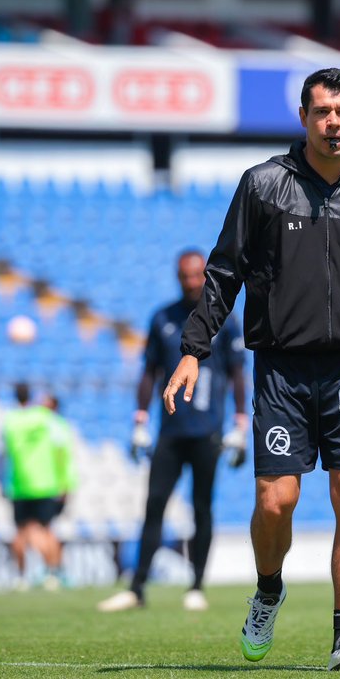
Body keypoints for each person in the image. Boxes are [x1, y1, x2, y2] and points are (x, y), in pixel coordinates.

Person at [163, 68, 340, 673]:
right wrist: (193, 349)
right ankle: (268, 590)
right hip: (281, 370)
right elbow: (223, 273)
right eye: (321, 111)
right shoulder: (263, 186)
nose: (332, 122)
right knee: (275, 501)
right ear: (304, 117)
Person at [99, 250, 248, 613]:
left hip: (207, 430)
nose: (192, 282)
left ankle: (196, 585)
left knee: (201, 509)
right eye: (186, 276)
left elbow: (238, 374)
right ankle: (137, 587)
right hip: (170, 430)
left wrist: (241, 421)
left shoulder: (224, 321)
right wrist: (139, 420)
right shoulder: (163, 318)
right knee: (154, 506)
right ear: (177, 277)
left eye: (198, 275)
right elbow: (149, 372)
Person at [2, 383, 76, 591]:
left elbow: (5, 451)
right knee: (44, 531)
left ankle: (21, 577)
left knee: (20, 533)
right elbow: (61, 448)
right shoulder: (45, 418)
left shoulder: (10, 420)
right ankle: (52, 574)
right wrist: (65, 482)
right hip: (44, 483)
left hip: (19, 483)